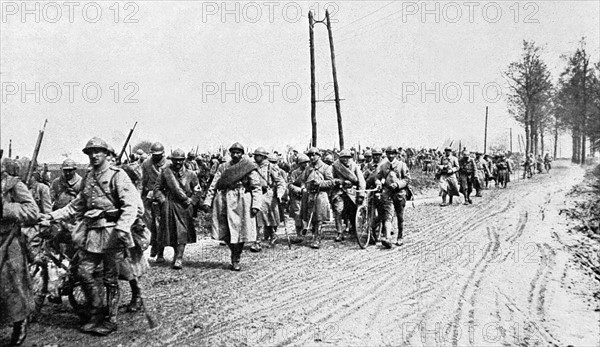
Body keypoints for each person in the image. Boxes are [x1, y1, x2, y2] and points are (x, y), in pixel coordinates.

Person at [42, 137, 140, 336]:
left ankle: (111, 320)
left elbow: (131, 206)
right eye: (90, 152)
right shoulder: (89, 177)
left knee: (111, 279)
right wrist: (52, 216)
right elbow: (75, 205)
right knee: (83, 272)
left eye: (98, 152)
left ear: (106, 154)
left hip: (113, 233)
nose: (94, 156)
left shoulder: (117, 175)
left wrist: (122, 229)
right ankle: (96, 312)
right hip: (93, 234)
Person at [202, 143, 261, 271]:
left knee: (241, 230)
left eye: (238, 152)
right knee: (226, 230)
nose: (235, 155)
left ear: (242, 154)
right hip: (224, 199)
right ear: (230, 153)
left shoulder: (248, 167)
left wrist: (256, 204)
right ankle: (233, 252)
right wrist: (208, 201)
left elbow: (256, 187)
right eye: (233, 152)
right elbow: (214, 185)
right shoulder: (223, 167)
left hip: (242, 200)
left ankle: (236, 257)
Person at [1, 157, 39, 346]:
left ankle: (20, 322)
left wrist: (5, 208)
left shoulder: (13, 184)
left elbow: (33, 211)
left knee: (14, 283)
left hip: (9, 240)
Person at [154, 149, 201, 269]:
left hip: (184, 206)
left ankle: (179, 258)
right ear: (172, 160)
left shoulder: (191, 174)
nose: (178, 162)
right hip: (169, 204)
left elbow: (197, 190)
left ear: (184, 160)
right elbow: (157, 189)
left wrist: (192, 201)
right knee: (168, 230)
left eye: (180, 160)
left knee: (182, 232)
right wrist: (163, 200)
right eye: (175, 160)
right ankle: (162, 253)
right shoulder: (166, 172)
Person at [251, 148, 286, 252]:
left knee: (265, 218)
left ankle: (258, 241)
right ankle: (267, 238)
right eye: (255, 155)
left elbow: (280, 182)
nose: (255, 157)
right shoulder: (252, 167)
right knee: (261, 218)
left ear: (263, 157)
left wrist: (280, 194)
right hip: (255, 194)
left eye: (257, 155)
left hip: (267, 195)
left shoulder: (271, 167)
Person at [299, 147, 334, 249]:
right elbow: (302, 180)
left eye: (314, 155)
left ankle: (317, 238)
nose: (312, 157)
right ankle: (314, 234)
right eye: (310, 155)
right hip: (310, 194)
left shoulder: (326, 167)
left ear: (319, 156)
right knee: (311, 216)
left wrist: (320, 183)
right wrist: (303, 187)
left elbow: (331, 182)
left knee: (319, 217)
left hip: (321, 194)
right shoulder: (308, 168)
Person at [376, 147, 411, 247]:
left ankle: (400, 237)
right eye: (389, 154)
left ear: (396, 154)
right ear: (386, 154)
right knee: (387, 215)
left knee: (400, 216)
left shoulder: (401, 165)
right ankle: (388, 238)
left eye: (392, 154)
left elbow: (407, 179)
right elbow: (377, 178)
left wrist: (398, 184)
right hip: (387, 192)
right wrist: (378, 183)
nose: (390, 156)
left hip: (399, 193)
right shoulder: (383, 166)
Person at [141, 142, 169, 261]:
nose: (156, 157)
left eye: (158, 154)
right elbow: (141, 181)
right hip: (148, 198)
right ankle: (153, 246)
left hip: (163, 197)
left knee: (160, 225)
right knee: (149, 225)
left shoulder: (169, 164)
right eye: (154, 154)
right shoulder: (146, 163)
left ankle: (160, 252)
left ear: (163, 153)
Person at [330, 149, 365, 242]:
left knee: (352, 212)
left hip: (351, 193)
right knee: (338, 211)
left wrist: (361, 195)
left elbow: (361, 180)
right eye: (343, 158)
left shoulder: (354, 166)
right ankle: (339, 232)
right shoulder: (335, 166)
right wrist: (340, 181)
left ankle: (354, 230)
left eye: (347, 157)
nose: (345, 159)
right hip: (339, 192)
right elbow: (330, 179)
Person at [287, 154, 310, 244]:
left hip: (308, 196)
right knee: (297, 215)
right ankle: (299, 235)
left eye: (307, 162)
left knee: (308, 214)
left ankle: (309, 232)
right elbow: (290, 184)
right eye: (304, 163)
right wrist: (299, 190)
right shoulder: (294, 173)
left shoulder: (311, 172)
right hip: (297, 197)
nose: (306, 164)